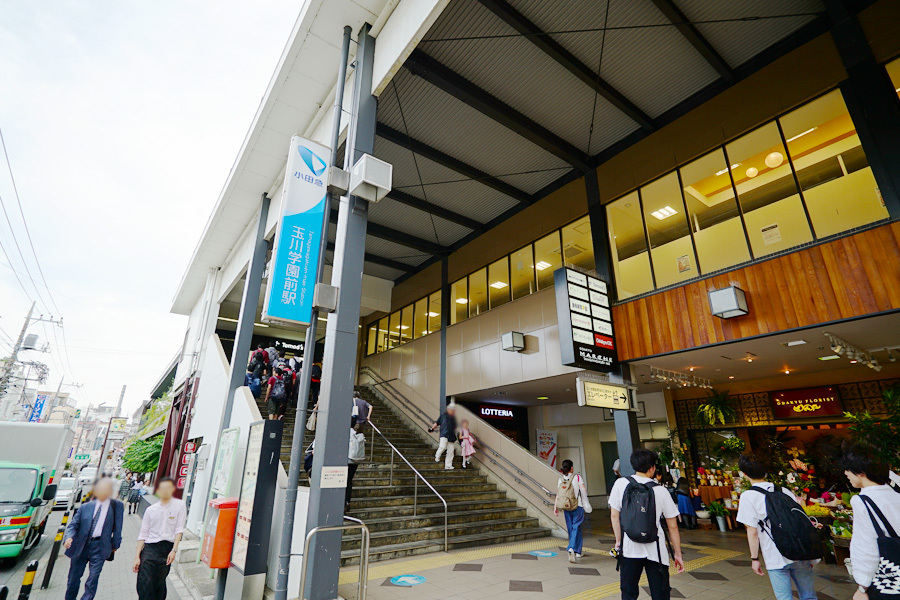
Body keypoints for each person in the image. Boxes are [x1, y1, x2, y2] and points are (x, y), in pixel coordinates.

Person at [736, 454, 819, 600]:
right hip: (799, 550)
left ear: (744, 474)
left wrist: (755, 559)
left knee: (784, 598)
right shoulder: (784, 490)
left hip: (775, 555)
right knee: (809, 596)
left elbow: (752, 531)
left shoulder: (748, 496)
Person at [610, 449, 685, 600]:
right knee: (660, 594)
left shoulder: (620, 484)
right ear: (652, 468)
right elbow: (673, 526)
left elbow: (614, 515)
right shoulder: (661, 490)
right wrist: (677, 554)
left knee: (629, 593)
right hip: (656, 551)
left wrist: (619, 541)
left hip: (629, 548)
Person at [843, 445, 900, 600]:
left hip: (888, 581)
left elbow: (866, 547)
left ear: (861, 472)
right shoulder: (896, 494)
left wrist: (862, 587)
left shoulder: (863, 501)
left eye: (848, 469)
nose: (846, 473)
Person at [64, 477, 124, 600]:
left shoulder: (116, 505)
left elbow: (118, 528)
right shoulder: (85, 507)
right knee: (73, 578)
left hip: (100, 546)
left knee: (93, 578)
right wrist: (68, 537)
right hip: (81, 545)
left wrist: (115, 545)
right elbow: (73, 525)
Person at [134, 477, 186, 600]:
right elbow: (143, 534)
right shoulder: (151, 510)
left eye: (168, 487)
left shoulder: (180, 505)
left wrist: (174, 550)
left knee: (159, 582)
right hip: (150, 548)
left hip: (166, 549)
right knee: (144, 582)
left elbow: (179, 529)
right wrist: (137, 557)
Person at [554, 459, 590, 563]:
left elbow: (558, 494)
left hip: (565, 506)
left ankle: (578, 551)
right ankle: (571, 548)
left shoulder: (560, 479)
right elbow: (584, 490)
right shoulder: (577, 477)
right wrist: (586, 503)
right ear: (572, 468)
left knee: (572, 529)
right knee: (576, 527)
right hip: (577, 506)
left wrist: (555, 507)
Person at [429, 403, 458, 470]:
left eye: (453, 410)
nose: (452, 411)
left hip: (451, 436)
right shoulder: (443, 415)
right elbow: (437, 423)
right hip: (444, 434)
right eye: (451, 409)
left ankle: (448, 465)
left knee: (451, 451)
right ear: (448, 409)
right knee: (442, 446)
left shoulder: (454, 418)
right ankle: (437, 456)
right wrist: (432, 428)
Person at [346, 422, 366, 509]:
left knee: (344, 481)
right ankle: (347, 502)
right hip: (355, 461)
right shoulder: (360, 434)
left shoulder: (348, 432)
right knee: (349, 481)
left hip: (347, 460)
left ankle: (344, 502)